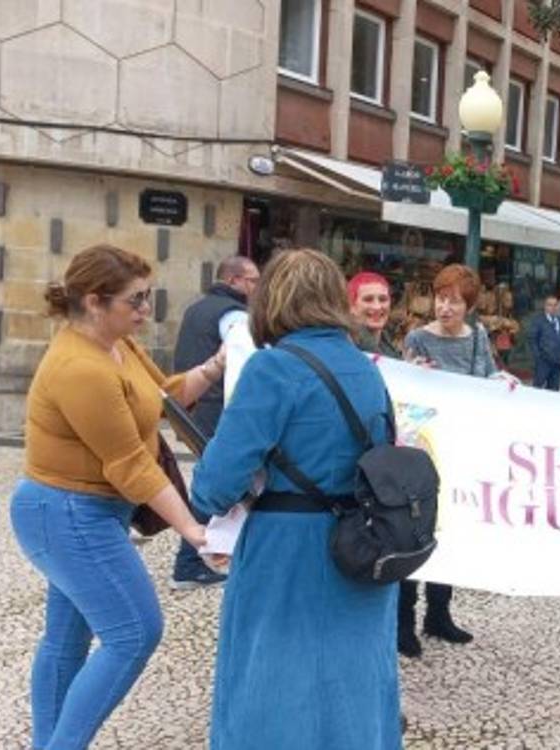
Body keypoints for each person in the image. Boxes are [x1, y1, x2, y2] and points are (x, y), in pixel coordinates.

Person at [191, 249, 400, 749]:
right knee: (352, 685)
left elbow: (214, 485)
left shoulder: (272, 369)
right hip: (359, 545)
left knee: (275, 686)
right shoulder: (367, 367)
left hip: (288, 550)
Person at [11, 244, 217, 750]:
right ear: (96, 302)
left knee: (67, 642)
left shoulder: (117, 344)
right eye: (137, 301)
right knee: (134, 631)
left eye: (148, 297)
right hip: (66, 514)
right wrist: (193, 530)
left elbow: (164, 395)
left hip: (80, 512)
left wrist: (218, 365)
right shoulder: (81, 367)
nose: (146, 310)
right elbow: (128, 464)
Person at [400, 264, 505, 656]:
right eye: (441, 299)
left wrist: (503, 382)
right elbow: (408, 394)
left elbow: (489, 375)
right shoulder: (417, 338)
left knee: (450, 531)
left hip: (463, 447)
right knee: (416, 528)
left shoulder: (477, 337)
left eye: (454, 301)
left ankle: (439, 613)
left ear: (469, 305)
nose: (445, 308)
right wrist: (412, 375)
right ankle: (403, 620)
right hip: (426, 449)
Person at [168, 255, 260, 591]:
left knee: (214, 480)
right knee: (218, 483)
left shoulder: (197, 308)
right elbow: (244, 359)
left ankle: (211, 552)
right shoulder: (234, 316)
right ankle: (190, 562)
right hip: (218, 409)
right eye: (253, 281)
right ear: (235, 280)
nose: (256, 288)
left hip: (196, 408)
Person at [348, 271, 402, 358]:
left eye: (383, 299)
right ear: (351, 306)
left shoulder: (386, 342)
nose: (377, 307)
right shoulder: (347, 344)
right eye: (368, 299)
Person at [528, 293, 560, 391]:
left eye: (555, 305)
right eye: (550, 305)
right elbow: (532, 339)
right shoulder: (538, 321)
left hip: (557, 362)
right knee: (537, 389)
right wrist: (538, 357)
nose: (553, 308)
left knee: (553, 390)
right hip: (543, 361)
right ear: (545, 307)